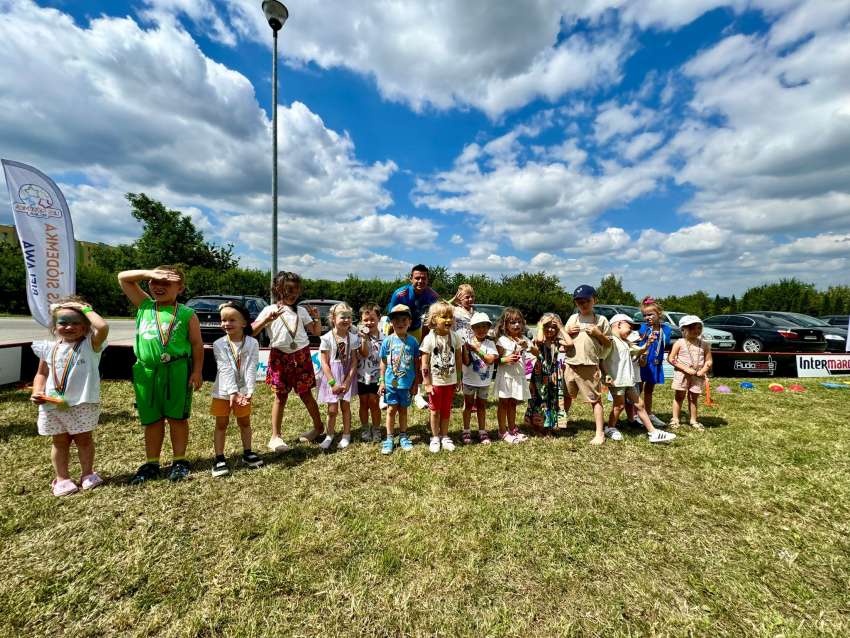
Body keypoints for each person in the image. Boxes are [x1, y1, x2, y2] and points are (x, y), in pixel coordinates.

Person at [118, 266, 203, 483]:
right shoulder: (145, 305)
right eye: (155, 282)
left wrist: (197, 371)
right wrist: (149, 273)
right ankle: (152, 463)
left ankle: (180, 460)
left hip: (177, 370)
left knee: (177, 418)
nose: (159, 286)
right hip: (146, 372)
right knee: (152, 420)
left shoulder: (186, 313)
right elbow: (123, 278)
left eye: (166, 283)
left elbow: (196, 344)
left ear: (180, 288)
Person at [30, 298, 109, 496]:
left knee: (84, 439)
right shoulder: (48, 348)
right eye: (63, 322)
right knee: (59, 441)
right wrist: (36, 391)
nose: (69, 326)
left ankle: (87, 474)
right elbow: (42, 374)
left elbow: (103, 326)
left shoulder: (91, 345)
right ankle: (62, 478)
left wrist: (84, 308)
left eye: (76, 322)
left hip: (82, 403)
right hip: (53, 404)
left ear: (85, 326)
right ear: (54, 326)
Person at [252, 271, 323, 451]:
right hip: (279, 357)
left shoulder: (301, 311)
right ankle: (275, 436)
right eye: (289, 290)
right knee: (280, 396)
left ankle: (318, 427)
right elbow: (251, 331)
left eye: (296, 290)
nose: (293, 294)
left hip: (301, 355)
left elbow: (315, 332)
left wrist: (316, 317)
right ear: (278, 289)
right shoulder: (269, 310)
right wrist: (266, 320)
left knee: (306, 394)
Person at [602, 314, 676, 444]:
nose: (631, 330)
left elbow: (640, 350)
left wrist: (648, 343)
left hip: (628, 380)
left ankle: (653, 433)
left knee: (640, 405)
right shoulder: (610, 341)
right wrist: (606, 374)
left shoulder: (625, 342)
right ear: (618, 324)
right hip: (617, 380)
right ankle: (610, 428)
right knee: (619, 405)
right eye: (629, 327)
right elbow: (601, 359)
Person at [210, 302, 261, 477]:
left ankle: (248, 452)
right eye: (223, 320)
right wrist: (232, 392)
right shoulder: (219, 344)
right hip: (223, 392)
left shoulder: (253, 343)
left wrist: (249, 391)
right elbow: (224, 368)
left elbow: (251, 367)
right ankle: (219, 458)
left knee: (245, 422)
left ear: (244, 323)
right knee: (221, 423)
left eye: (232, 319)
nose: (226, 323)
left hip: (244, 393)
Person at [563, 285, 612, 446]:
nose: (583, 305)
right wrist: (568, 332)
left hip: (589, 365)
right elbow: (563, 338)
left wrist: (598, 334)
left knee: (595, 399)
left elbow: (609, 344)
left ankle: (599, 433)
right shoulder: (573, 319)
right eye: (579, 302)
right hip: (570, 364)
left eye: (586, 301)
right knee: (565, 396)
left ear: (594, 301)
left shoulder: (601, 320)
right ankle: (561, 422)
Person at [420, 300, 463, 453]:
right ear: (433, 320)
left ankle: (444, 435)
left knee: (446, 410)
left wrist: (459, 378)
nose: (448, 320)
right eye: (444, 317)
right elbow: (424, 363)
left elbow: (458, 358)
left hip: (450, 382)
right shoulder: (429, 338)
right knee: (434, 411)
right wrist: (427, 383)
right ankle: (435, 437)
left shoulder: (456, 337)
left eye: (451, 317)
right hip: (435, 382)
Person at [317, 302, 361, 450]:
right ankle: (329, 435)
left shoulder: (354, 338)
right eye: (343, 317)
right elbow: (324, 362)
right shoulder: (327, 338)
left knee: (346, 407)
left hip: (346, 376)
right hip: (332, 377)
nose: (346, 320)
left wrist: (348, 380)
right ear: (333, 318)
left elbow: (355, 360)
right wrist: (332, 382)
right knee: (332, 409)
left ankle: (346, 434)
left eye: (349, 317)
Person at [378, 304, 420, 455]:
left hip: (406, 385)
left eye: (404, 320)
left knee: (403, 411)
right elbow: (383, 362)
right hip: (390, 384)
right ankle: (389, 438)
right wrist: (382, 381)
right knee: (390, 410)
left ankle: (403, 435)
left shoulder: (413, 342)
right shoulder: (387, 341)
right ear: (391, 322)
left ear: (409, 322)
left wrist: (416, 383)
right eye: (396, 320)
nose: (400, 323)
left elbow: (417, 364)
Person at [494, 307, 538, 444]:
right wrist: (505, 360)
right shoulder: (502, 340)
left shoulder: (524, 338)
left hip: (518, 377)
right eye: (512, 322)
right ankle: (502, 430)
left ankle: (512, 428)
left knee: (513, 403)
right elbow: (495, 360)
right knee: (503, 403)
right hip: (506, 377)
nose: (516, 325)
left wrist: (528, 346)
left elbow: (537, 353)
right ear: (505, 325)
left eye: (519, 322)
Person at [526, 313, 571, 434]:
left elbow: (570, 343)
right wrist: (541, 324)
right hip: (540, 374)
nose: (550, 329)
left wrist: (561, 328)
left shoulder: (558, 341)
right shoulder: (537, 340)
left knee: (552, 399)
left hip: (554, 374)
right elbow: (540, 339)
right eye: (547, 326)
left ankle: (549, 425)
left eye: (553, 327)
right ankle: (537, 425)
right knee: (540, 399)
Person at [668, 315, 713, 430]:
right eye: (692, 328)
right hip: (682, 375)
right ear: (684, 329)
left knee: (694, 398)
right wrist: (685, 369)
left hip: (697, 376)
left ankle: (693, 420)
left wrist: (703, 370)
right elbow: (671, 358)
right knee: (679, 396)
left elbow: (709, 360)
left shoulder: (704, 344)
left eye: (699, 328)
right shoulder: (679, 343)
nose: (696, 331)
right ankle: (675, 419)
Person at [460, 311, 498, 444]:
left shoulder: (490, 344)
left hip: (484, 382)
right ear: (472, 328)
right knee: (468, 406)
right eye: (477, 327)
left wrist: (476, 349)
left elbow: (490, 360)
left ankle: (482, 431)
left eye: (484, 326)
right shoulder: (467, 342)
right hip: (469, 381)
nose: (481, 330)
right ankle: (466, 430)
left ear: (488, 328)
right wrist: (465, 349)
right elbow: (466, 362)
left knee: (482, 406)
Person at [636, 296, 672, 428]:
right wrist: (647, 335)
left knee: (649, 389)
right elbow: (639, 341)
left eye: (650, 314)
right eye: (645, 315)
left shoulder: (666, 329)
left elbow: (665, 342)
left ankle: (649, 413)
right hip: (643, 362)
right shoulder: (643, 328)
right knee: (638, 388)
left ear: (659, 314)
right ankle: (637, 414)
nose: (647, 317)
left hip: (655, 363)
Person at [385, 264, 439, 342]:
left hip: (415, 329)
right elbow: (390, 319)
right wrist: (390, 340)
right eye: (417, 278)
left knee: (416, 351)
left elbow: (431, 319)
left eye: (423, 278)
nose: (420, 281)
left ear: (428, 280)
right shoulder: (399, 294)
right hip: (397, 327)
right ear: (411, 279)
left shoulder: (433, 296)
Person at [357, 303, 384, 443]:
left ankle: (376, 428)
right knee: (363, 403)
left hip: (377, 378)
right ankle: (365, 427)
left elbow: (384, 360)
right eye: (366, 320)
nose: (369, 322)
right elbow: (364, 353)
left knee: (374, 403)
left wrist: (383, 379)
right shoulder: (358, 337)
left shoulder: (384, 338)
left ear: (379, 318)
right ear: (361, 320)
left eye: (372, 319)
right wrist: (364, 339)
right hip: (361, 377)